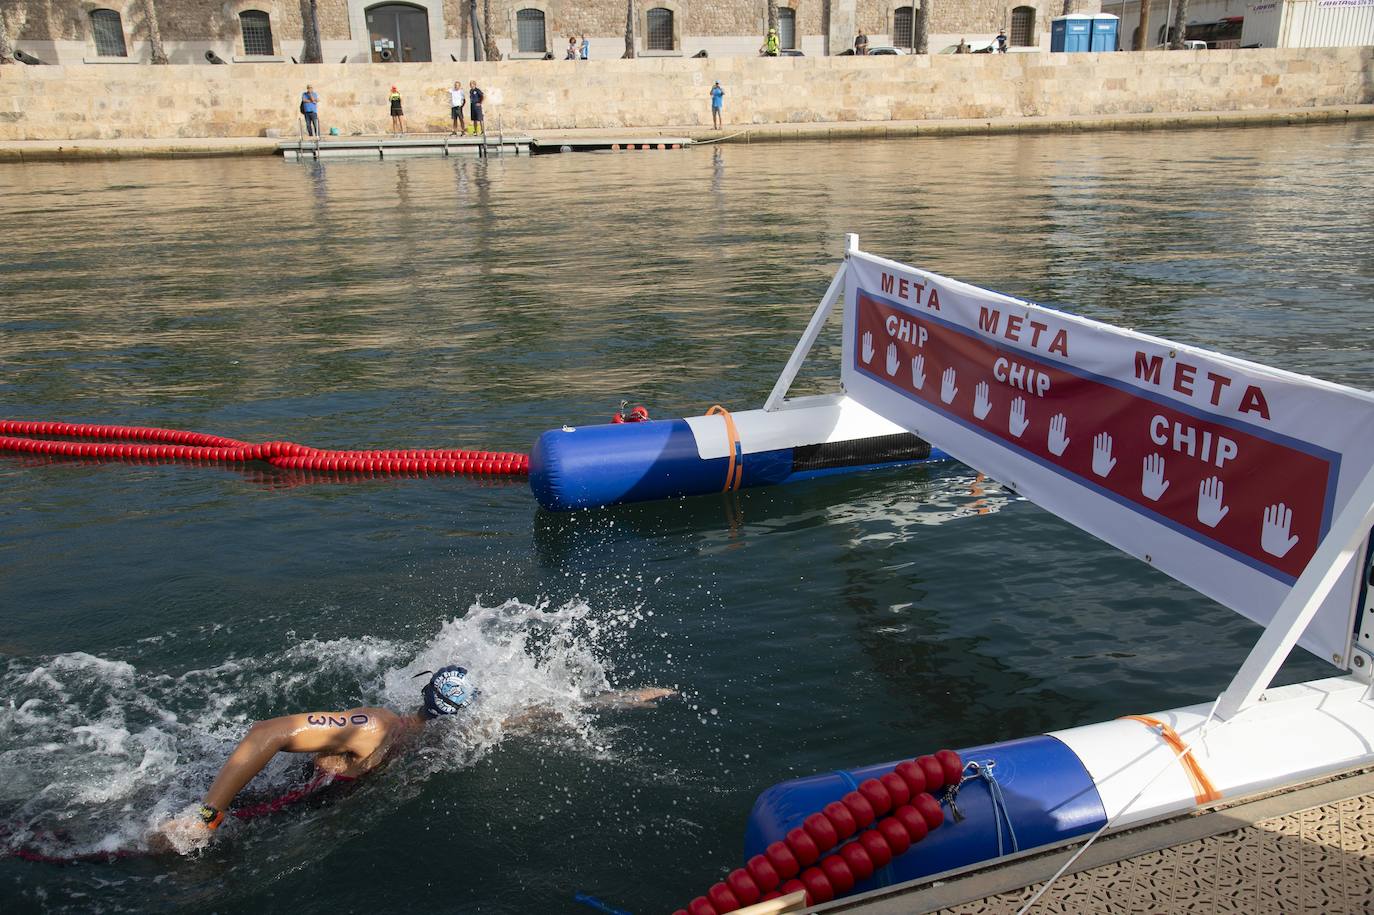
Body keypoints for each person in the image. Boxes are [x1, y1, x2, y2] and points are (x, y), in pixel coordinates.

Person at [159, 665, 673, 842]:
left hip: (275, 801)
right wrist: (626, 699)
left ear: (423, 689)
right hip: (269, 797)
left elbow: (266, 730)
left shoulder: (379, 722)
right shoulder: (432, 735)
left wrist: (210, 816)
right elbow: (265, 735)